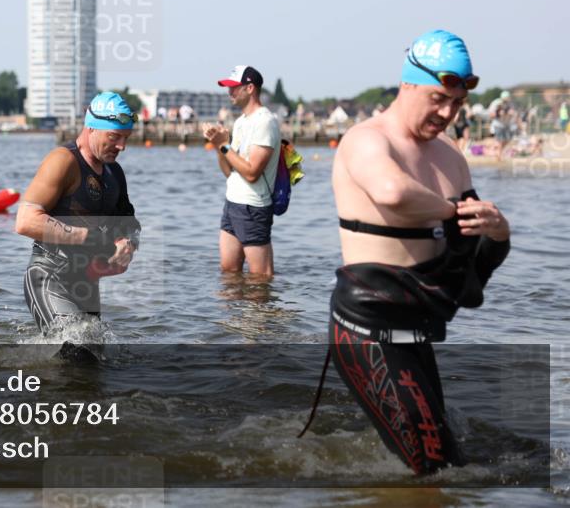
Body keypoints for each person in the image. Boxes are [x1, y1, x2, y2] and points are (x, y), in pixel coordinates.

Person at [326, 29, 510, 475]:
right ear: (407, 84)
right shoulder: (367, 140)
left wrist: (500, 232)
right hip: (368, 325)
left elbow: (474, 245)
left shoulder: (450, 156)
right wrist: (451, 209)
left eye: (457, 104)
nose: (447, 113)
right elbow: (391, 191)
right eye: (437, 98)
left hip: (419, 325)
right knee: (434, 468)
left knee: (447, 460)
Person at [15, 92, 141, 335]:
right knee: (74, 351)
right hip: (50, 276)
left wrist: (129, 243)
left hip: (87, 284)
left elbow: (130, 223)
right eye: (115, 137)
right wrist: (94, 239)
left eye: (126, 138)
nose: (122, 146)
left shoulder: (114, 173)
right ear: (92, 128)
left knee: (93, 363)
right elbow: (25, 221)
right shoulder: (63, 161)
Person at [202, 66, 281, 276]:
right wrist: (220, 145)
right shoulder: (240, 122)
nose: (230, 93)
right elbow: (229, 172)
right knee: (228, 272)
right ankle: (235, 311)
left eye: (234, 88)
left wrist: (224, 146)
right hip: (232, 202)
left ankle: (261, 310)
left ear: (250, 88)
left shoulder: (265, 122)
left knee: (260, 278)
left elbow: (252, 173)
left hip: (253, 206)